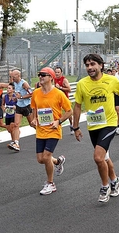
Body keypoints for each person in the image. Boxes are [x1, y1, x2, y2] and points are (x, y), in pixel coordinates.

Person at [73, 53, 119, 203]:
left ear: (101, 65)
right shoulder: (82, 84)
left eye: (92, 64)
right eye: (87, 65)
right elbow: (77, 106)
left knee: (98, 157)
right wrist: (75, 127)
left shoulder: (111, 80)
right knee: (104, 157)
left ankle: (105, 186)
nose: (90, 68)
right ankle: (115, 181)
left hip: (109, 123)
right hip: (93, 125)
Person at [30, 67, 72, 195]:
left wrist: (58, 121)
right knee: (40, 159)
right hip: (41, 130)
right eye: (39, 74)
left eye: (43, 75)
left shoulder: (58, 94)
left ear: (51, 78)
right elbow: (34, 108)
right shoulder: (36, 93)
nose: (40, 77)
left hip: (53, 130)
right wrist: (34, 119)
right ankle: (58, 161)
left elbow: (69, 111)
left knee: (46, 156)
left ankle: (50, 183)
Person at [8, 69, 34, 152]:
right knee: (16, 125)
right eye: (11, 76)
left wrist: (21, 97)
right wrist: (16, 98)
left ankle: (44, 134)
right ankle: (16, 143)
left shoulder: (24, 83)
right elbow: (17, 93)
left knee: (32, 124)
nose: (12, 78)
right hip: (19, 106)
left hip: (26, 106)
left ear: (18, 76)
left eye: (13, 76)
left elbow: (31, 93)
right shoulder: (15, 83)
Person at [54, 66, 73, 134]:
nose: (57, 74)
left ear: (61, 73)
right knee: (56, 112)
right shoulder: (54, 79)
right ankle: (57, 125)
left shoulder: (64, 80)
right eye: (56, 72)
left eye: (58, 72)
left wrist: (61, 88)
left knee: (68, 112)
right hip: (57, 99)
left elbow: (69, 89)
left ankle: (71, 124)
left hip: (65, 99)